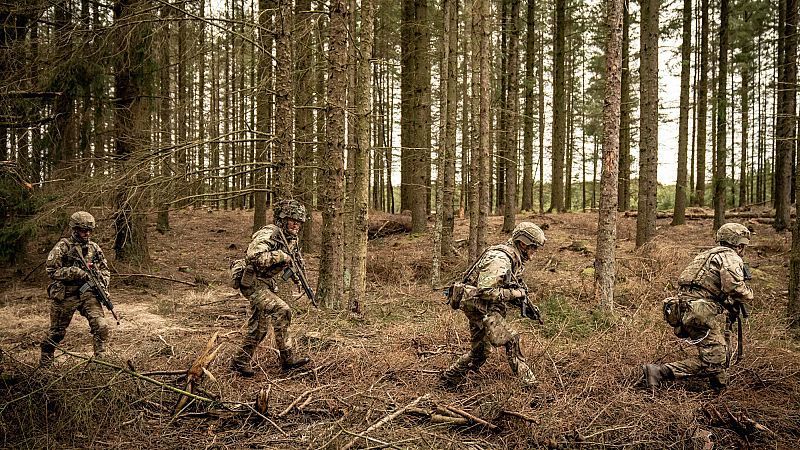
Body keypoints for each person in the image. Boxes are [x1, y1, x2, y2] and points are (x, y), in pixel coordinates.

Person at [643, 222, 754, 390]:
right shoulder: (730, 257)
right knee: (715, 360)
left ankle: (720, 388)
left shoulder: (705, 255)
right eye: (743, 245)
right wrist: (749, 294)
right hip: (699, 311)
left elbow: (700, 286)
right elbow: (733, 286)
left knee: (717, 350)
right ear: (739, 244)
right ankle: (660, 371)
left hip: (683, 309)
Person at [440, 222, 546, 389]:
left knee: (480, 353)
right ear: (523, 243)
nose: (534, 254)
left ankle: (449, 379)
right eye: (533, 248)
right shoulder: (500, 259)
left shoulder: (512, 257)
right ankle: (531, 386)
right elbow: (486, 291)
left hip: (479, 305)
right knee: (512, 340)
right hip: (480, 306)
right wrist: (516, 294)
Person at [230, 199, 312, 377]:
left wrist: (297, 277)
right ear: (282, 219)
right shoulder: (269, 233)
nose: (296, 224)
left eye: (299, 221)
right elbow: (254, 256)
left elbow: (294, 260)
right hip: (251, 281)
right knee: (282, 310)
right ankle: (288, 359)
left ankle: (239, 362)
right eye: (292, 220)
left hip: (265, 282)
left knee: (259, 328)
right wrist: (281, 255)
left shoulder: (291, 238)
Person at [40, 211, 112, 368]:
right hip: (66, 293)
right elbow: (51, 271)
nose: (86, 233)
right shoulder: (63, 246)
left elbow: (105, 270)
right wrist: (73, 272)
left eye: (89, 231)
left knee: (101, 326)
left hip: (88, 293)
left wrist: (102, 283)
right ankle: (45, 362)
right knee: (57, 333)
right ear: (74, 229)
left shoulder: (94, 248)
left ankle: (101, 363)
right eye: (82, 230)